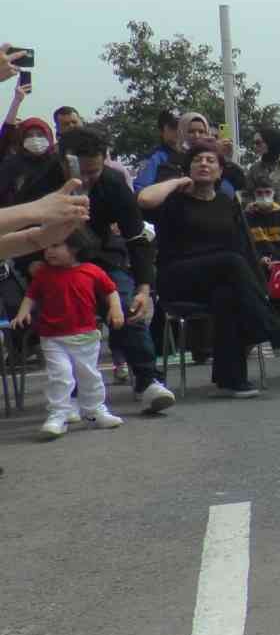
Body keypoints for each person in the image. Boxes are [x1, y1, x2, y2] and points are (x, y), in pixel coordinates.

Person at [16, 123, 176, 412]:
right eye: (82, 173)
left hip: (101, 260)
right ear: (65, 161)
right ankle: (71, 393)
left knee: (129, 307)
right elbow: (18, 230)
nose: (87, 180)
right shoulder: (37, 184)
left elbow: (137, 238)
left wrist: (143, 287)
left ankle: (148, 381)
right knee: (61, 315)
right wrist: (31, 264)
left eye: (95, 172)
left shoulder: (114, 184)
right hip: (50, 263)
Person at [139, 138, 280, 396]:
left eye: (211, 161)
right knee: (230, 262)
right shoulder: (174, 200)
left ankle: (231, 380)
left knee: (229, 294)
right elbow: (143, 199)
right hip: (177, 277)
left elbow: (244, 248)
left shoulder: (226, 203)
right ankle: (276, 333)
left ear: (220, 170)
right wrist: (177, 182)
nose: (204, 164)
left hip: (217, 280)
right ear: (188, 168)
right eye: (197, 160)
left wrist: (260, 289)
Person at [15, 229, 124, 437]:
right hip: (52, 337)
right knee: (61, 376)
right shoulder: (43, 274)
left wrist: (115, 308)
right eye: (47, 247)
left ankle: (94, 410)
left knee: (89, 375)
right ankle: (59, 413)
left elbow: (111, 291)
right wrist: (23, 313)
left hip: (86, 335)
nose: (49, 252)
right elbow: (31, 295)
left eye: (55, 246)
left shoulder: (92, 270)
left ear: (75, 248)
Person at [0, 115, 56, 206]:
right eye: (29, 136)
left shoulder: (57, 163)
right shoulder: (11, 164)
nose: (35, 139)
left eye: (40, 135)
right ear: (21, 139)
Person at [244, 169, 280, 263]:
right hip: (255, 261)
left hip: (278, 260)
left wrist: (274, 259)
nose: (264, 196)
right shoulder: (247, 216)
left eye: (267, 192)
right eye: (259, 193)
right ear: (254, 195)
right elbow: (245, 244)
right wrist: (260, 258)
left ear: (274, 193)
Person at [248, 123, 280, 206]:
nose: (255, 146)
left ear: (270, 142)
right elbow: (247, 196)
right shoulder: (254, 169)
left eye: (258, 143)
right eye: (254, 143)